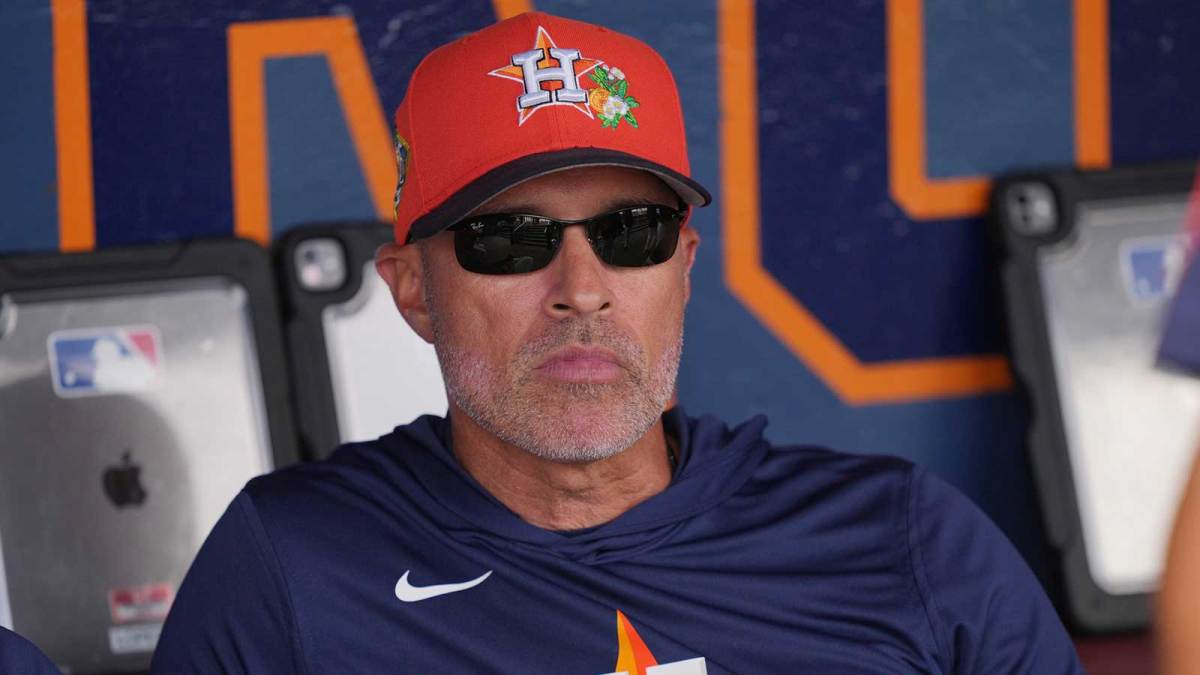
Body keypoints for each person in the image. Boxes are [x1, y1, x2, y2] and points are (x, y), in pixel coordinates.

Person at [152, 11, 1082, 673]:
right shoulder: (289, 567)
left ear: (683, 264)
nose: (582, 290)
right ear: (413, 294)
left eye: (630, 231)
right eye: (509, 240)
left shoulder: (904, 541)